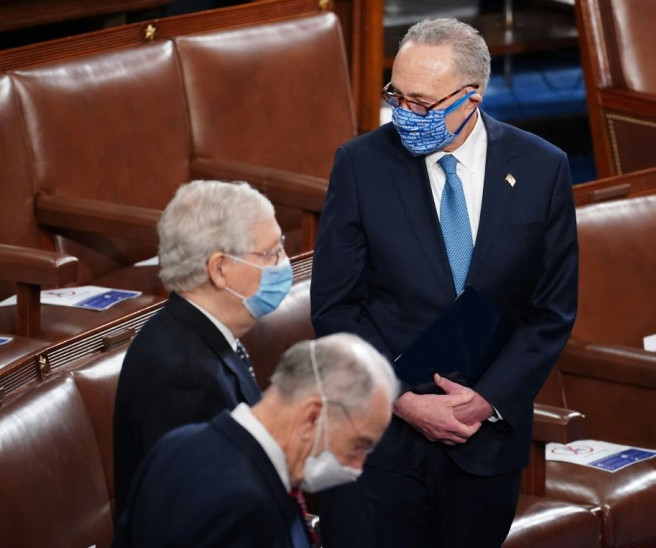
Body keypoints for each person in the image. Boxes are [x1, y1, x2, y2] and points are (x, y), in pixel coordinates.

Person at [310, 17, 578, 548]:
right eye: (397, 96)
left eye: (423, 104)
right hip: (378, 449)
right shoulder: (361, 165)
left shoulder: (542, 168)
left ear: (472, 97)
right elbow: (336, 309)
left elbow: (551, 311)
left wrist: (486, 400)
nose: (404, 114)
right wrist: (405, 400)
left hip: (485, 449)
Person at [113, 334, 398, 548]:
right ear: (313, 415)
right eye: (360, 444)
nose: (358, 466)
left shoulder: (177, 443)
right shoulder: (244, 507)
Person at [113, 179, 293, 517]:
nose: (284, 262)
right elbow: (202, 518)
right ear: (220, 269)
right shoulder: (181, 375)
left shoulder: (199, 332)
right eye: (271, 253)